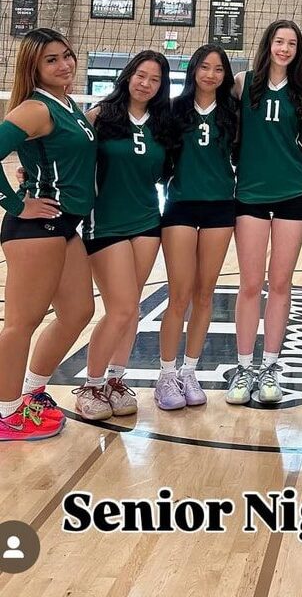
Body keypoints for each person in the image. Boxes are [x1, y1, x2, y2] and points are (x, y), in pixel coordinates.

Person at [0, 28, 96, 441]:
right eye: (51, 60)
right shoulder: (35, 109)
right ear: (34, 67)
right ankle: (6, 414)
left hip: (63, 225)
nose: (64, 64)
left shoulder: (67, 104)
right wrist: (16, 204)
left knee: (78, 312)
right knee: (21, 323)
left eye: (67, 55)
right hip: (35, 228)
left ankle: (31, 392)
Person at [75, 51, 174, 420]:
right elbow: (67, 151)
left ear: (162, 86)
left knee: (132, 307)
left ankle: (115, 381)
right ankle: (91, 384)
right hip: (105, 224)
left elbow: (165, 171)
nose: (145, 84)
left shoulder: (162, 123)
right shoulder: (101, 115)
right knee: (121, 308)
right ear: (128, 75)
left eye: (154, 79)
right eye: (140, 75)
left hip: (147, 222)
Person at [226, 21, 302, 406]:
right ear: (269, 44)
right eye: (279, 41)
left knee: (280, 284)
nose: (285, 48)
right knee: (249, 284)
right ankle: (244, 368)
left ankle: (271, 367)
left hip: (293, 192)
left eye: (292, 43)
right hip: (250, 193)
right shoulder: (243, 83)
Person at [156, 44, 237, 410]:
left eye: (218, 69)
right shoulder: (173, 109)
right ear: (193, 70)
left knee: (205, 294)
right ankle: (166, 375)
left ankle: (189, 372)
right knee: (179, 295)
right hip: (181, 207)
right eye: (205, 67)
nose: (211, 75)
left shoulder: (233, 112)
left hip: (220, 207)